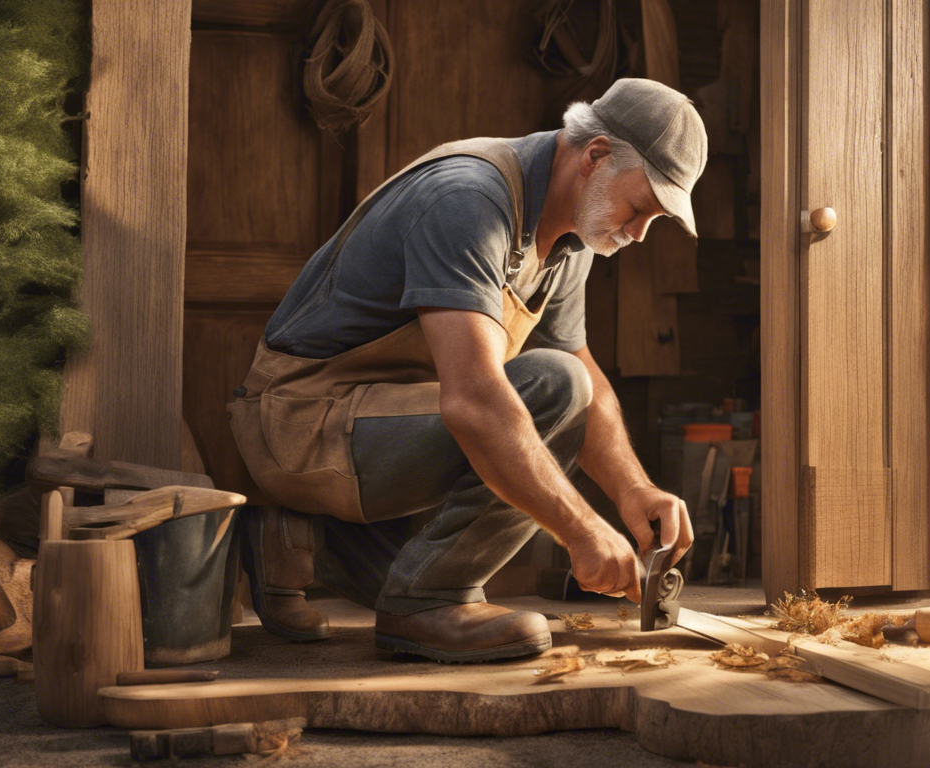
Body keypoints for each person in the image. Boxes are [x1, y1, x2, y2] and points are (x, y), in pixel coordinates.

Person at [226, 79, 702, 662]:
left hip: (383, 425)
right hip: (298, 422)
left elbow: (585, 374)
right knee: (549, 386)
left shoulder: (571, 234)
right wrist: (582, 529)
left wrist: (634, 489)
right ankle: (430, 602)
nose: (636, 233)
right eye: (638, 209)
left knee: (563, 384)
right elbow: (477, 401)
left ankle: (303, 537)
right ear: (595, 156)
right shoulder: (468, 199)